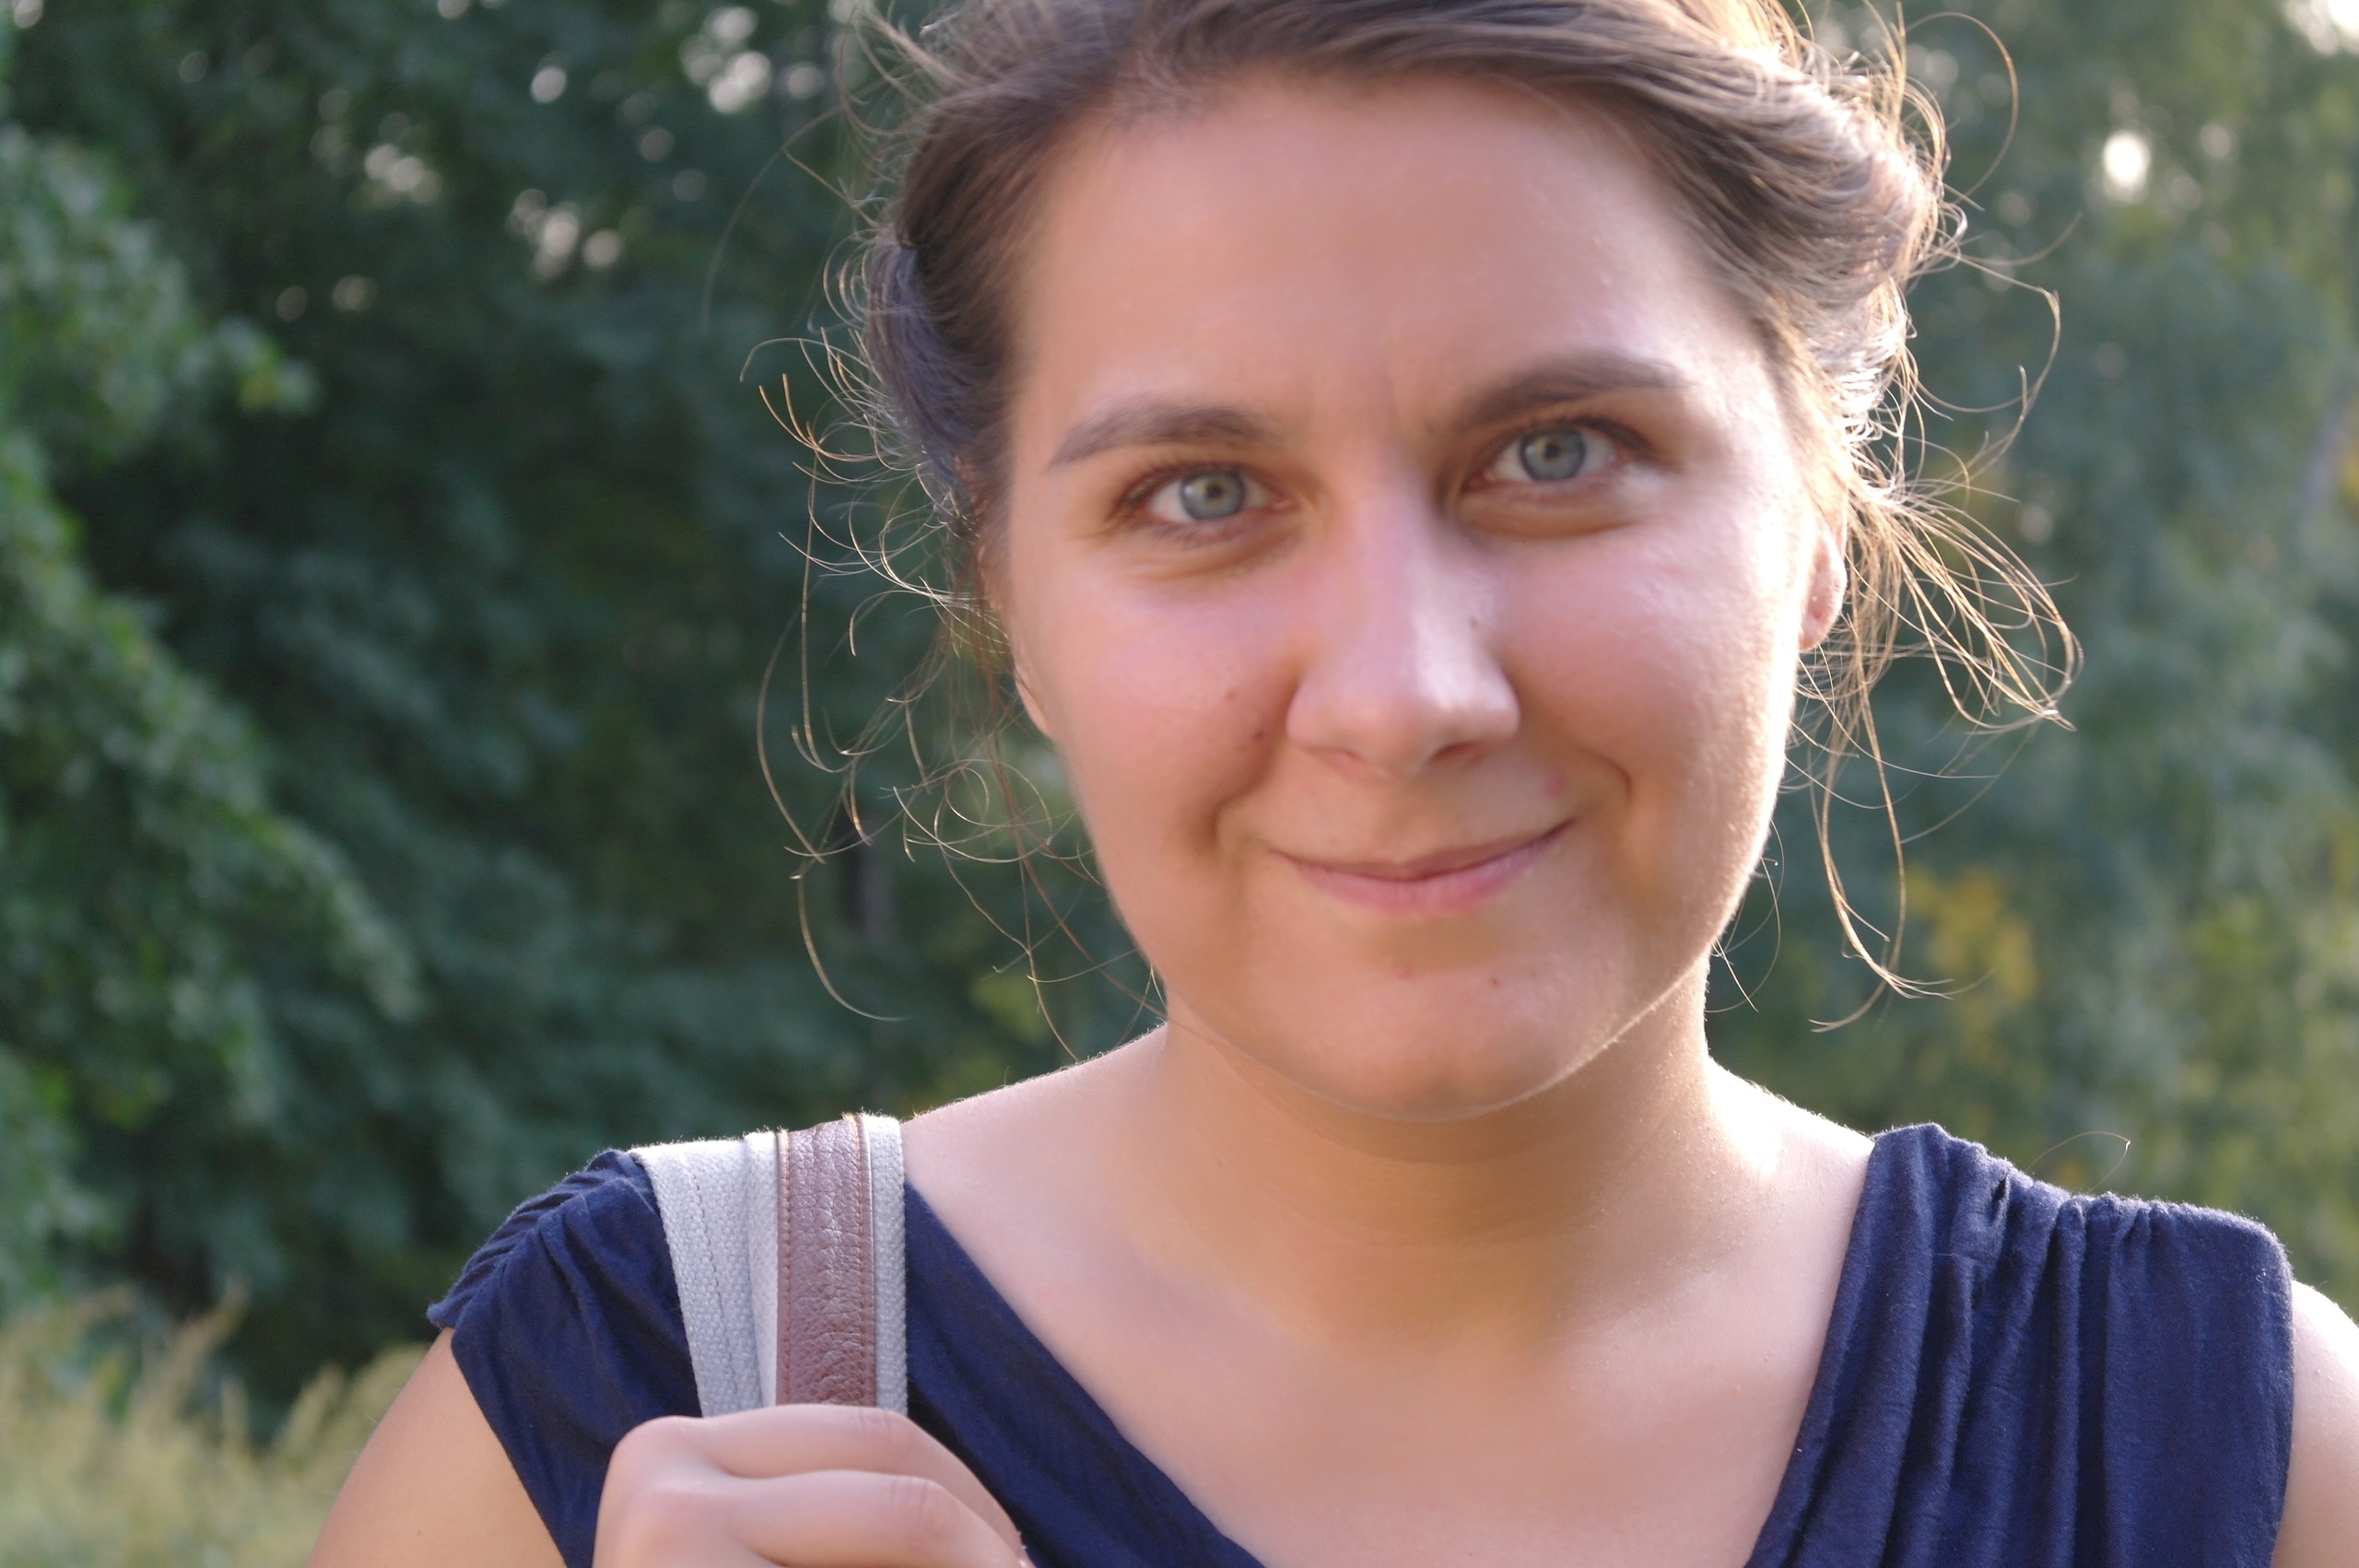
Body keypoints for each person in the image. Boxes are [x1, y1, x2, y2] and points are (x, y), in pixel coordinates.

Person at [311, 1, 2359, 1563]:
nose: (1403, 694)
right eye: (1203, 494)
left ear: (1820, 516)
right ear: (1007, 597)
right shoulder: (638, 1394)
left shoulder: (2239, 1463)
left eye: (1555, 453)